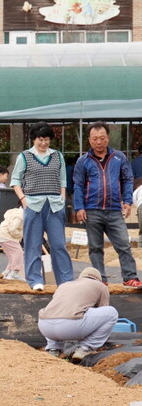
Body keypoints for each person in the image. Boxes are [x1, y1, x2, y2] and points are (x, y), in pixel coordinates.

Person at [73, 122, 139, 287]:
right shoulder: (83, 161)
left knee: (123, 245)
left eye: (102, 138)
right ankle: (100, 279)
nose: (99, 142)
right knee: (95, 247)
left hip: (115, 210)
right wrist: (79, 207)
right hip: (92, 210)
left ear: (108, 138)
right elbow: (78, 185)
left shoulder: (119, 157)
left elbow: (127, 179)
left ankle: (130, 277)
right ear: (89, 140)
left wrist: (127, 202)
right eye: (95, 138)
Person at [12, 122, 73, 292]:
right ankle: (34, 279)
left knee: (59, 244)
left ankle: (66, 280)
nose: (44, 143)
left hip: (55, 205)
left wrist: (62, 198)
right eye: (40, 139)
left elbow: (62, 180)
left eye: (47, 139)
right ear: (33, 139)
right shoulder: (24, 156)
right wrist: (24, 200)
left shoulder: (57, 156)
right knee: (33, 244)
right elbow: (15, 181)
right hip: (33, 204)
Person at [38, 267, 117, 363]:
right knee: (112, 313)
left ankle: (53, 349)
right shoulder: (100, 286)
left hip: (45, 327)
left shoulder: (64, 285)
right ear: (98, 279)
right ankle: (85, 348)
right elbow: (102, 309)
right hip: (71, 327)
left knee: (54, 311)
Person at [0, 205, 24, 281]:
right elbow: (13, 229)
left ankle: (7, 272)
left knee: (12, 255)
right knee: (18, 253)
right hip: (7, 236)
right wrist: (21, 235)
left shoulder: (15, 212)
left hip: (1, 235)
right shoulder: (20, 216)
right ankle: (14, 273)